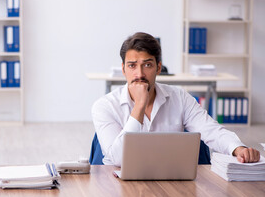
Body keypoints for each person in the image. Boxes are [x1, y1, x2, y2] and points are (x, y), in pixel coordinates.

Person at [92, 32, 260, 167]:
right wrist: (140, 106)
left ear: (158, 67)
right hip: (118, 184)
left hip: (170, 179)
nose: (140, 74)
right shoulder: (105, 106)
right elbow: (118, 159)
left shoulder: (179, 98)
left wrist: (237, 148)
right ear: (123, 69)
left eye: (147, 65)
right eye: (132, 65)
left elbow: (212, 130)